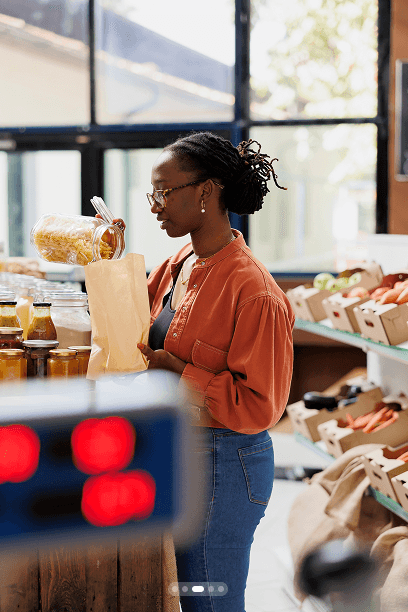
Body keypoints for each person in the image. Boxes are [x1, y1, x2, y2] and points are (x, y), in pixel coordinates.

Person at [104, 131, 295, 612]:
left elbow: (259, 408)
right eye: (153, 194)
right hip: (181, 453)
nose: (155, 206)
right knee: (182, 595)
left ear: (207, 191)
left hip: (225, 465)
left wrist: (179, 371)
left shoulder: (255, 292)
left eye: (164, 192)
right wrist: (108, 259)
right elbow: (129, 322)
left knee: (208, 600)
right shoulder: (179, 263)